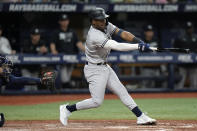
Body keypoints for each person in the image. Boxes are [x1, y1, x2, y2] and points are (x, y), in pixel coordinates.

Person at [59, 7, 156, 126]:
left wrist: (139, 41)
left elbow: (122, 33)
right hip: (94, 69)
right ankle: (67, 109)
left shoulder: (106, 25)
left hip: (105, 67)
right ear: (93, 21)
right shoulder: (94, 35)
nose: (103, 21)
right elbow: (117, 46)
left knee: (122, 91)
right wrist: (138, 47)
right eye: (100, 20)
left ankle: (141, 116)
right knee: (97, 102)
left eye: (104, 19)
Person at [50, 14, 85, 88]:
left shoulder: (72, 32)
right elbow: (52, 43)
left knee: (67, 78)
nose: (64, 22)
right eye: (62, 21)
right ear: (59, 22)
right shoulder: (56, 32)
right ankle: (67, 92)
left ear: (68, 21)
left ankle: (66, 93)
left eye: (66, 20)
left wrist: (86, 50)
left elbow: (78, 43)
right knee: (64, 79)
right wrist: (53, 51)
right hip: (62, 58)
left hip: (72, 57)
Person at [173, 21, 197, 88]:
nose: (189, 29)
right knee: (180, 84)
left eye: (190, 28)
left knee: (194, 85)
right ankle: (177, 97)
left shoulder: (196, 37)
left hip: (194, 65)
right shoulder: (180, 38)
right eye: (188, 28)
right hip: (182, 64)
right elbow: (175, 50)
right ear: (185, 29)